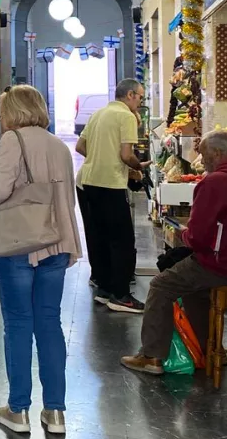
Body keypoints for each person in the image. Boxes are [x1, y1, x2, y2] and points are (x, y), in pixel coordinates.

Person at [0, 85, 81, 435]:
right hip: (56, 241)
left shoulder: (14, 140)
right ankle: (56, 412)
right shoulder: (58, 145)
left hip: (19, 244)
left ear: (12, 111)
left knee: (17, 324)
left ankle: (18, 409)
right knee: (49, 323)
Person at [121, 131, 227, 375]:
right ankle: (210, 351)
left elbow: (199, 237)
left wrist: (184, 234)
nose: (202, 161)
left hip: (220, 263)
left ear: (217, 153)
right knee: (194, 292)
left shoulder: (215, 183)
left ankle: (152, 356)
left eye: (203, 154)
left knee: (161, 285)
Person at [75, 79, 148, 313]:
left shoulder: (98, 113)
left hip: (87, 182)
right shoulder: (126, 116)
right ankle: (121, 295)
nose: (141, 101)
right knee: (122, 240)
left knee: (99, 237)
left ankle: (105, 289)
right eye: (140, 97)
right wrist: (139, 167)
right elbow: (127, 155)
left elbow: (80, 146)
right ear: (130, 95)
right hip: (110, 184)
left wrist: (100, 157)